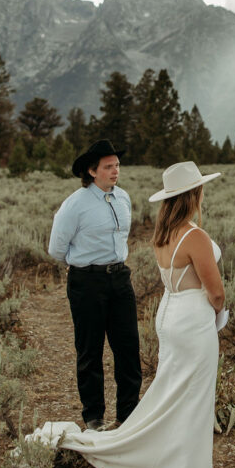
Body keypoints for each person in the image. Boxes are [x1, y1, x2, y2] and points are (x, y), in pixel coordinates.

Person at [32, 160, 224, 468]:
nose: (115, 170)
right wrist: (219, 312)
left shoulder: (162, 232)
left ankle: (157, 446)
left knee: (169, 387)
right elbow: (216, 291)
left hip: (169, 312)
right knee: (193, 396)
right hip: (190, 317)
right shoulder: (194, 235)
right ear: (194, 194)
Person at [48, 139, 142, 431]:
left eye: (117, 165)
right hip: (87, 281)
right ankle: (94, 417)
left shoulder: (123, 197)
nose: (115, 171)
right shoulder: (75, 204)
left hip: (120, 277)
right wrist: (83, 266)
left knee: (128, 347)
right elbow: (56, 248)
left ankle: (128, 415)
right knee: (90, 349)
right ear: (92, 171)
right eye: (108, 166)